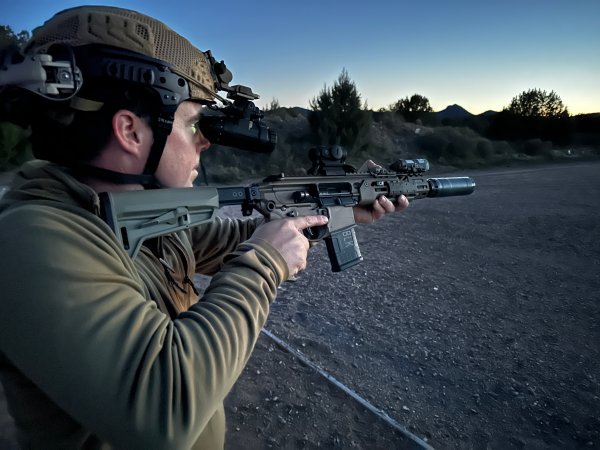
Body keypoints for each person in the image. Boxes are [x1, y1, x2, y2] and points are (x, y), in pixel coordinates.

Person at [0, 5, 408, 449]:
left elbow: (222, 239)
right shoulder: (30, 240)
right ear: (130, 132)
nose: (206, 141)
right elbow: (165, 408)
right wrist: (264, 264)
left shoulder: (129, 209)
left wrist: (331, 210)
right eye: (192, 123)